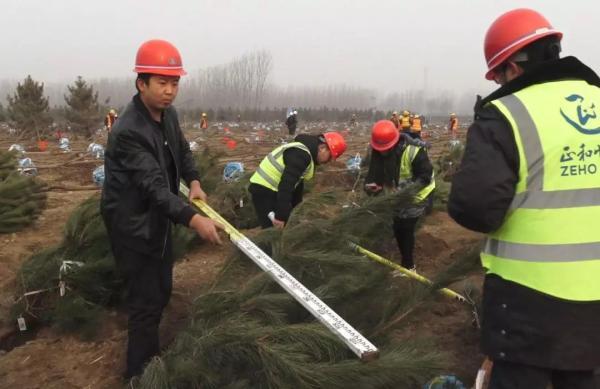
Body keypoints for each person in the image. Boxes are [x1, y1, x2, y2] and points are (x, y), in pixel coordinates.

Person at [448, 8, 600, 389]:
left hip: (528, 307)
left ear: (512, 68)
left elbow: (476, 208)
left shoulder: (506, 115)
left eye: (498, 74)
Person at [101, 39, 223, 380]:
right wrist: (193, 218)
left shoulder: (167, 115)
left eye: (175, 83)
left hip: (157, 219)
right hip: (133, 225)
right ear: (142, 83)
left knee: (162, 288)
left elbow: (181, 149)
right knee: (145, 303)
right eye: (162, 83)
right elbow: (154, 188)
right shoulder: (128, 131)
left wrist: (194, 180)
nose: (169, 91)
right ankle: (139, 375)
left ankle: (152, 356)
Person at [364, 120, 434, 271]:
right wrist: (372, 187)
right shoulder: (378, 152)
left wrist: (403, 190)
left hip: (418, 195)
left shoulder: (414, 150)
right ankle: (406, 261)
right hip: (398, 197)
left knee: (406, 228)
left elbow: (425, 177)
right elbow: (373, 176)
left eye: (385, 149)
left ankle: (408, 266)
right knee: (397, 227)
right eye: (379, 149)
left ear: (394, 142)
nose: (382, 152)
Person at [248, 132, 346, 229]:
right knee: (272, 231)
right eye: (330, 157)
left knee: (286, 224)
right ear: (322, 148)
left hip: (272, 189)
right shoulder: (301, 154)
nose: (328, 162)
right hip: (263, 190)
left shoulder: (306, 153)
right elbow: (287, 185)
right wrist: (281, 216)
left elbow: (297, 184)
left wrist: (296, 211)